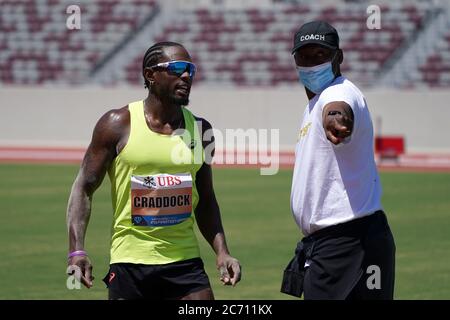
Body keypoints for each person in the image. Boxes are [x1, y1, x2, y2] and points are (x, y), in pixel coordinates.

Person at [66, 41, 241, 300]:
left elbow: (205, 199)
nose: (186, 76)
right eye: (177, 68)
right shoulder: (116, 124)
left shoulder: (202, 130)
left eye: (190, 70)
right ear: (150, 75)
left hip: (185, 262)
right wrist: (77, 251)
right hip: (130, 262)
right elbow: (84, 187)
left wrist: (222, 251)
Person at [281, 21, 395, 300]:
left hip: (344, 243)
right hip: (350, 239)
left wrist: (337, 120)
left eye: (320, 55)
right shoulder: (313, 104)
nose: (311, 63)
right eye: (304, 56)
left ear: (338, 57)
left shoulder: (338, 92)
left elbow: (339, 110)